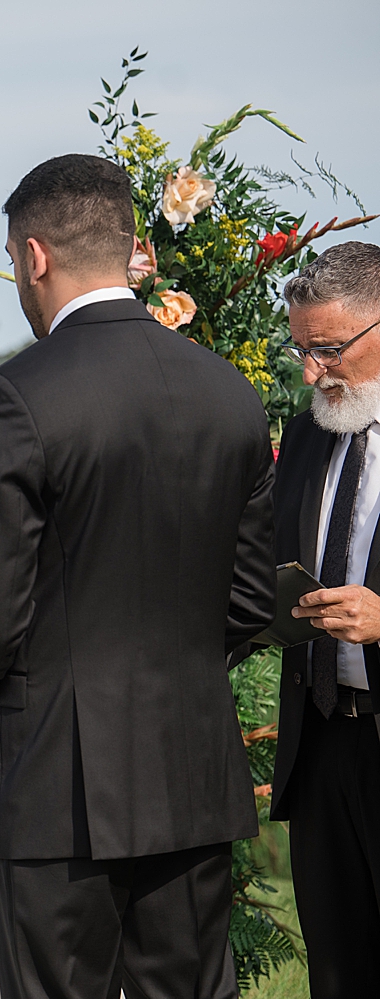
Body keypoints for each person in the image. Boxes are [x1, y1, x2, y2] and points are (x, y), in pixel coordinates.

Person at [0, 153, 275, 998]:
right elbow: (253, 596)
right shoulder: (229, 391)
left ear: (34, 255)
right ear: (127, 247)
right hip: (190, 768)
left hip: (57, 779)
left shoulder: (13, 398)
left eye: (14, 259)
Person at [268, 242, 380, 998]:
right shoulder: (308, 430)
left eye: (330, 348)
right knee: (339, 971)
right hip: (321, 746)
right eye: (301, 348)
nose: (312, 371)